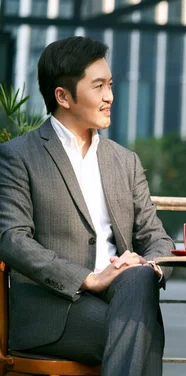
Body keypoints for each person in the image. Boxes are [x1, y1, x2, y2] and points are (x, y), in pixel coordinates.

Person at [0, 36, 175, 376]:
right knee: (142, 331)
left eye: (109, 85)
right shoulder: (20, 156)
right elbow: (12, 239)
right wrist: (88, 279)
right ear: (62, 96)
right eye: (98, 87)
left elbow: (158, 238)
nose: (110, 96)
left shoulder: (125, 161)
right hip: (54, 310)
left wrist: (148, 265)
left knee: (139, 280)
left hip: (125, 296)